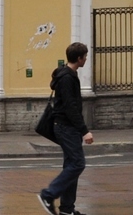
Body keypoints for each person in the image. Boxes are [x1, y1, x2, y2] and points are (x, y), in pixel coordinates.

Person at [38, 42, 94, 215]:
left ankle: (67, 210)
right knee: (78, 163)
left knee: (71, 165)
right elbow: (70, 107)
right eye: (85, 56)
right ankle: (48, 195)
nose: (86, 59)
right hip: (66, 127)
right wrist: (85, 131)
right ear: (79, 58)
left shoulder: (67, 74)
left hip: (67, 128)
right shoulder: (67, 78)